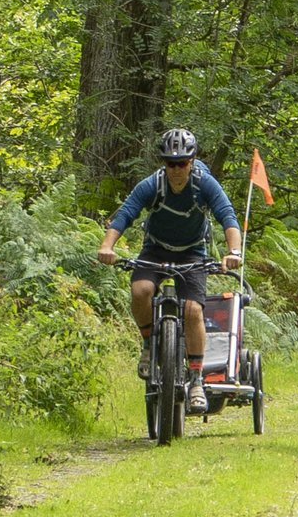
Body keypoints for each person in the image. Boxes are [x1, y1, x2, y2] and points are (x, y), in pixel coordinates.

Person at [96, 128, 247, 383]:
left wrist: (233, 252)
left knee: (192, 311)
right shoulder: (152, 184)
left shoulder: (204, 184)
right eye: (170, 163)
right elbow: (126, 213)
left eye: (182, 163)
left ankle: (197, 378)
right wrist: (107, 246)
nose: (176, 170)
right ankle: (148, 346)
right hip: (155, 250)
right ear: (163, 164)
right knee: (140, 290)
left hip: (192, 253)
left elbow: (227, 216)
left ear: (192, 162)